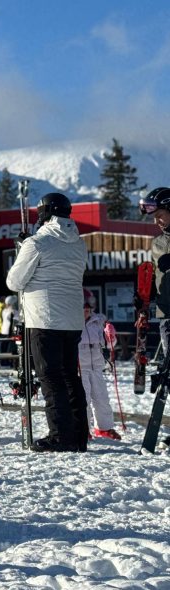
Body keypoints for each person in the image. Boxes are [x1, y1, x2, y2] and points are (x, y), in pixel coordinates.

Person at [6, 192, 88, 453]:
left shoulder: (37, 242)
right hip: (72, 318)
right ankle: (78, 436)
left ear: (45, 213)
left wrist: (23, 250)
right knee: (70, 377)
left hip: (43, 318)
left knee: (50, 377)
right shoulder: (78, 243)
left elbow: (14, 282)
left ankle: (60, 435)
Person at [138, 187, 170, 446]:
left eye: (160, 215)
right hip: (166, 313)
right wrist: (143, 297)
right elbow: (157, 278)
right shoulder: (157, 243)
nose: (156, 221)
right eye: (154, 216)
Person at [78, 288, 120, 440]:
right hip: (81, 367)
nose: (86, 312)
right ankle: (83, 429)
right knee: (84, 399)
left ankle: (103, 428)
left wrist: (111, 336)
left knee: (101, 398)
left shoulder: (99, 321)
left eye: (89, 309)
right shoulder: (72, 323)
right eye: (84, 309)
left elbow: (110, 345)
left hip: (96, 365)